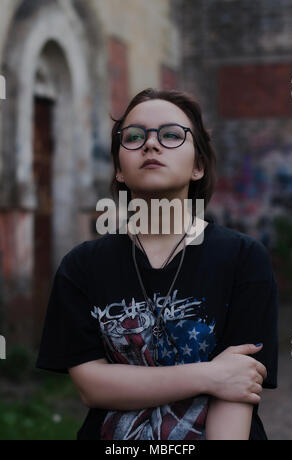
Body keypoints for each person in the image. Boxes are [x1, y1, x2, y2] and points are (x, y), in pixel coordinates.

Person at [36, 88, 278, 440]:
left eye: (171, 135)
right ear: (119, 169)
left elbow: (238, 389)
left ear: (198, 165)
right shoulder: (82, 266)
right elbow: (93, 385)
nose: (151, 144)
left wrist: (224, 378)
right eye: (134, 137)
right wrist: (210, 375)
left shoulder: (243, 258)